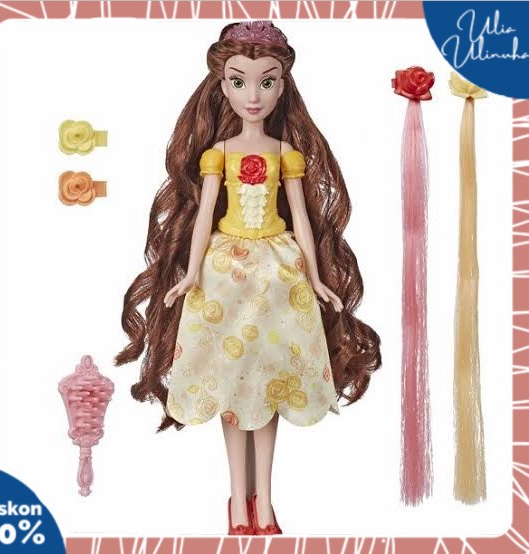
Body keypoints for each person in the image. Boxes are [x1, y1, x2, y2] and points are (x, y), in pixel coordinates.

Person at [115, 20, 381, 535]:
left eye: (266, 81)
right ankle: (239, 499)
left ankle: (266, 498)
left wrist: (317, 277)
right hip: (225, 274)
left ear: (282, 87)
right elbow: (204, 218)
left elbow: (301, 217)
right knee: (232, 384)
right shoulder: (218, 153)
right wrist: (190, 272)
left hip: (278, 273)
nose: (253, 95)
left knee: (269, 384)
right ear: (223, 85)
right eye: (239, 82)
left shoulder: (286, 154)